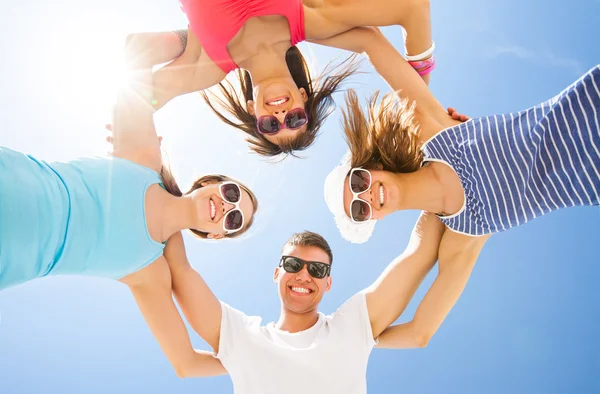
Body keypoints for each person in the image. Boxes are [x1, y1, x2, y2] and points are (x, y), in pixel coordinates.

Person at [322, 28, 599, 340]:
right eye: (360, 209)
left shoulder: (434, 130)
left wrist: (289, 27)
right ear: (373, 219)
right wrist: (340, 342)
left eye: (359, 181)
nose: (367, 196)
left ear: (372, 167)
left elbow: (370, 41)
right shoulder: (463, 233)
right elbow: (419, 333)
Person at [0, 48, 261, 375]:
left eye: (234, 218)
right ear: (212, 183)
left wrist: (261, 363)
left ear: (217, 233)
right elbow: (138, 55)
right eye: (231, 193)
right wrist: (211, 42)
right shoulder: (144, 158)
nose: (226, 206)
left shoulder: (151, 273)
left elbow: (186, 364)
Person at [160, 222, 480, 394]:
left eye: (316, 269)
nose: (303, 275)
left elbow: (421, 252)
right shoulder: (243, 337)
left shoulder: (350, 327)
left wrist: (448, 168)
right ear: (277, 273)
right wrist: (166, 201)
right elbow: (181, 272)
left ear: (328, 284)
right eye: (293, 264)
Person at [124, 0, 435, 157]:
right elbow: (411, 9)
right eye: (296, 119)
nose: (281, 115)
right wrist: (427, 116)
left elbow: (138, 95)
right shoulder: (312, 20)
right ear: (303, 95)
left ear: (252, 110)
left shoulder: (208, 66)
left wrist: (137, 140)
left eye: (271, 126)